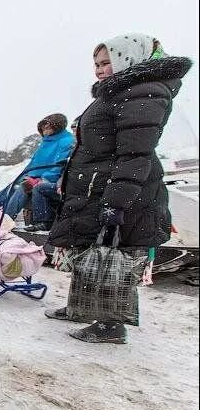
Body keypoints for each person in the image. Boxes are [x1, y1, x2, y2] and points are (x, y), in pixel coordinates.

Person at [46, 33, 192, 343]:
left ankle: (111, 325)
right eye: (96, 64)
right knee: (89, 250)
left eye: (106, 62)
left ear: (128, 58)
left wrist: (117, 201)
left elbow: (134, 153)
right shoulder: (119, 93)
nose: (99, 70)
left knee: (113, 254)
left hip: (116, 189)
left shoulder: (143, 93)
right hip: (95, 186)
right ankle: (82, 308)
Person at [0, 114, 75, 220]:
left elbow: (59, 166)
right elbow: (34, 163)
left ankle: (6, 219)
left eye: (47, 126)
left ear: (57, 127)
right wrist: (26, 175)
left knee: (24, 186)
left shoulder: (66, 141)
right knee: (14, 184)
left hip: (49, 179)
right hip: (33, 174)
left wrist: (43, 179)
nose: (44, 129)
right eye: (43, 127)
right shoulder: (46, 142)